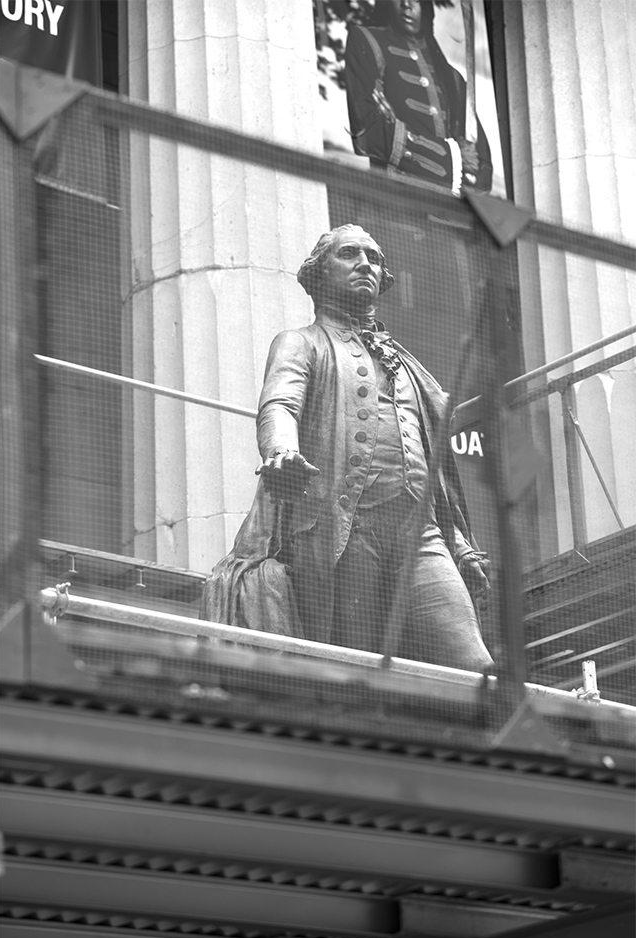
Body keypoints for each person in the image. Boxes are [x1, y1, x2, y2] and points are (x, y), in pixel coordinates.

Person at [201, 225, 494, 673]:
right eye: (350, 254)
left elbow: (431, 463)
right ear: (319, 273)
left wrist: (458, 542)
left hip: (421, 531)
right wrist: (280, 451)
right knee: (357, 666)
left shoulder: (407, 365)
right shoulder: (302, 342)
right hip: (346, 526)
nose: (365, 264)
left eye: (374, 258)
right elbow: (280, 405)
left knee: (473, 663)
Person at [345, 0, 492, 193]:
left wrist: (394, 127)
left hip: (448, 206)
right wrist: (453, 160)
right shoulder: (367, 41)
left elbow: (482, 169)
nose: (407, 4)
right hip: (395, 199)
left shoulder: (452, 78)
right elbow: (368, 131)